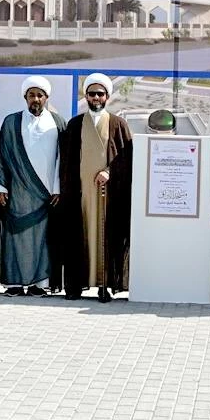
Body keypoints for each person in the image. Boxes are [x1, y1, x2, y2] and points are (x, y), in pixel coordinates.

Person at [53, 74, 132, 301]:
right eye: (91, 94)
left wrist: (109, 171)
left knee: (107, 236)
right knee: (79, 236)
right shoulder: (75, 124)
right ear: (85, 96)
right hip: (81, 195)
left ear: (107, 96)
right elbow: (66, 161)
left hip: (109, 195)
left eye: (100, 94)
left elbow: (126, 159)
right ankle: (77, 284)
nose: (96, 98)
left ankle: (104, 284)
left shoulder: (118, 124)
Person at [0, 76, 63, 295]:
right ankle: (14, 283)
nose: (36, 99)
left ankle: (39, 284)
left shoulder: (58, 122)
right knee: (16, 237)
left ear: (46, 98)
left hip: (47, 194)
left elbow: (64, 159)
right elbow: (2, 156)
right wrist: (1, 186)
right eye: (32, 95)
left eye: (40, 95)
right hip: (18, 192)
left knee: (42, 241)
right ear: (25, 97)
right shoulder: (12, 121)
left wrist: (58, 188)